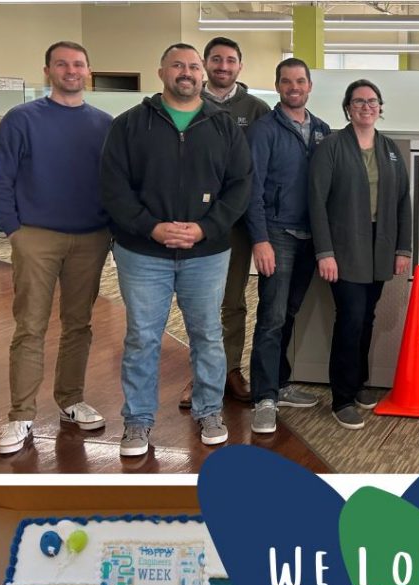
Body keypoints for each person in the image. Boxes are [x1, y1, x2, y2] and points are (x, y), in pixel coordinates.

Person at [101, 42, 252, 458]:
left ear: (202, 75)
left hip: (206, 254)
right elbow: (113, 187)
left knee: (207, 335)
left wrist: (205, 229)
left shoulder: (223, 126)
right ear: (161, 72)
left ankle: (209, 411)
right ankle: (137, 421)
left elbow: (241, 186)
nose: (186, 72)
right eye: (177, 65)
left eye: (193, 66)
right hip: (141, 252)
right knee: (142, 338)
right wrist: (152, 227)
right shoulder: (129, 125)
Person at [0, 41, 112, 455]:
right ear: (48, 71)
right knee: (30, 326)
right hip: (35, 235)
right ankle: (21, 416)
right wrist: (14, 231)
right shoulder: (21, 119)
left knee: (79, 324)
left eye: (78, 64)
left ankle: (71, 400)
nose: (71, 70)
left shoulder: (104, 124)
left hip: (91, 237)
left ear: (88, 71)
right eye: (62, 64)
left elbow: (116, 182)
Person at [173, 37, 269, 413]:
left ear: (240, 67)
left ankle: (229, 369)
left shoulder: (257, 109)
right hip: (194, 221)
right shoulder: (187, 102)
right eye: (216, 59)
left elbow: (259, 169)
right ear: (204, 64)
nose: (223, 66)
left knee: (232, 301)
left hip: (238, 221)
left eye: (230, 60)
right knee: (199, 302)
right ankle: (201, 374)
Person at [309, 79, 411, 430]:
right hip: (343, 247)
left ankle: (359, 384)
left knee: (367, 316)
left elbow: (402, 203)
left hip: (379, 245)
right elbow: (316, 203)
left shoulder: (391, 150)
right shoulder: (332, 146)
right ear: (347, 108)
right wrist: (325, 252)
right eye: (358, 101)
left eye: (372, 101)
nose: (366, 106)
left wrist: (402, 248)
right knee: (350, 317)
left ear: (380, 107)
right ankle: (341, 398)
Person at [245, 58, 329, 434]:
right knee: (272, 317)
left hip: (312, 237)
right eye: (286, 81)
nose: (294, 87)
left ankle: (280, 384)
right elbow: (253, 188)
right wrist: (260, 240)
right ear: (278, 87)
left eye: (300, 81)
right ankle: (263, 396)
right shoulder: (264, 130)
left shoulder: (324, 131)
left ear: (309, 86)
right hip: (277, 235)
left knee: (290, 313)